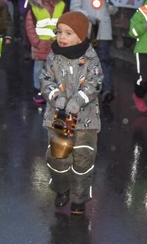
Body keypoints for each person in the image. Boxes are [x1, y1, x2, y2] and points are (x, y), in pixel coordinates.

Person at [41, 11, 103, 215]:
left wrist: (79, 99)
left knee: (83, 160)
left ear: (81, 36)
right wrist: (55, 96)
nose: (62, 37)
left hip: (85, 120)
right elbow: (45, 80)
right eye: (59, 32)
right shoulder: (53, 57)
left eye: (68, 33)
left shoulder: (91, 58)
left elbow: (95, 82)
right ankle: (62, 188)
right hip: (60, 118)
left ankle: (79, 198)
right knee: (59, 158)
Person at [69, 0, 117, 102]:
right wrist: (86, 15)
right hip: (87, 30)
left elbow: (113, 10)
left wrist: (110, 3)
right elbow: (74, 7)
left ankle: (107, 89)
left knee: (104, 60)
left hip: (103, 31)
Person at [26, 0, 67, 104]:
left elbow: (66, 23)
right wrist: (35, 41)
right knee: (39, 68)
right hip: (41, 43)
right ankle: (38, 90)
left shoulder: (61, 5)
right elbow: (30, 24)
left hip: (57, 44)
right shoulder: (36, 5)